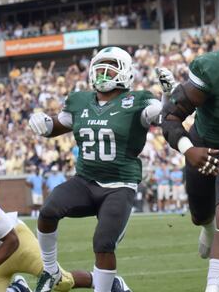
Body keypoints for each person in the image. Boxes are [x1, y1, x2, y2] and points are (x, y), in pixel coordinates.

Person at [27, 47, 173, 292]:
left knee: (103, 242)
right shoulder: (79, 100)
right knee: (48, 211)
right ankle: (50, 271)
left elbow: (162, 115)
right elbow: (57, 125)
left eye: (111, 66)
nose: (104, 72)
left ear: (125, 72)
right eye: (100, 66)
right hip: (85, 181)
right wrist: (42, 123)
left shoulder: (137, 100)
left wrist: (168, 95)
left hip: (119, 185)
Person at [160, 47, 219, 292]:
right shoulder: (214, 68)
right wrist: (188, 149)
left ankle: (213, 288)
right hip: (203, 143)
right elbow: (170, 115)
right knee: (199, 215)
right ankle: (207, 227)